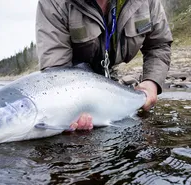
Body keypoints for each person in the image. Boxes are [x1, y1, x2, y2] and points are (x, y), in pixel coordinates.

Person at [35, 0, 173, 131]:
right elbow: (57, 73)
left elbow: (159, 45)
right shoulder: (53, 3)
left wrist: (152, 82)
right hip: (74, 79)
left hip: (109, 72)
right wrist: (67, 112)